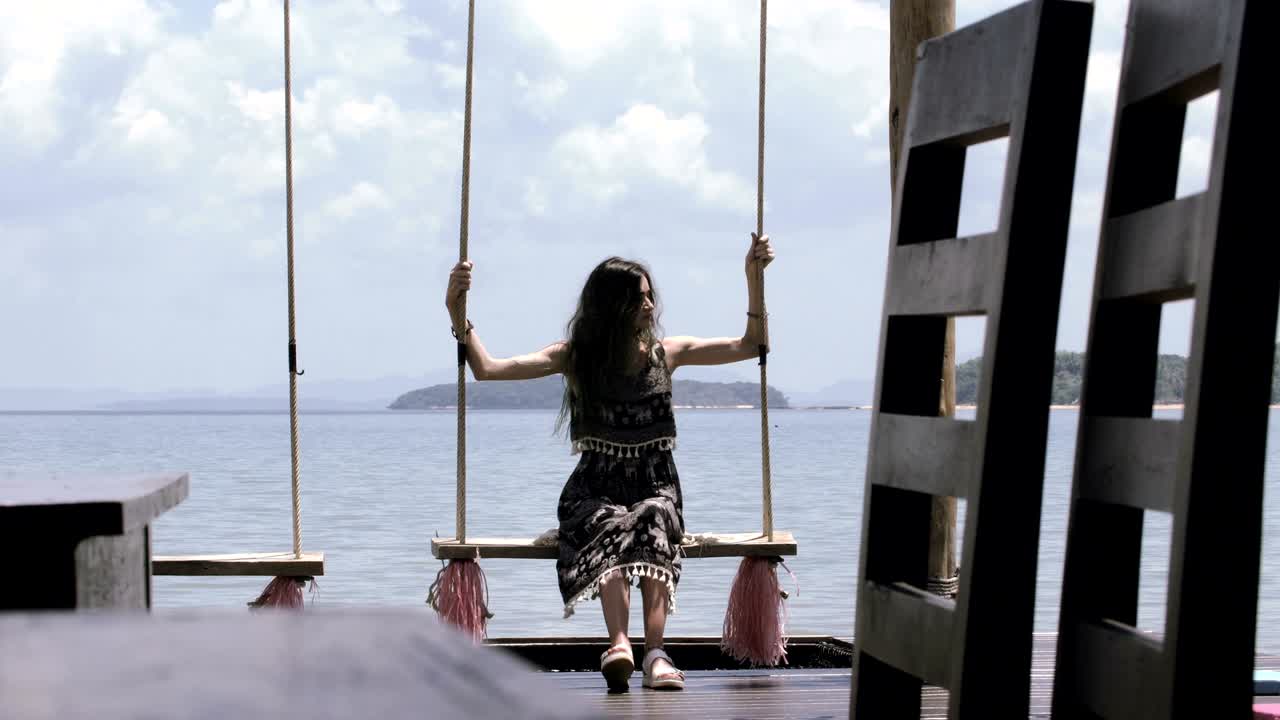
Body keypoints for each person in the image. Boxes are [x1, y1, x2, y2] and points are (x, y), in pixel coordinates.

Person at [444, 232, 775, 692]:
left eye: (649, 296)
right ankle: (620, 644)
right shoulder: (576, 358)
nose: (650, 305)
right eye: (639, 298)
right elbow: (488, 369)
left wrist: (752, 278)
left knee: (653, 516)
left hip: (656, 487)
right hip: (593, 490)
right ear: (612, 306)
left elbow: (750, 343)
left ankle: (655, 653)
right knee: (608, 522)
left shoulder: (667, 354)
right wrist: (457, 314)